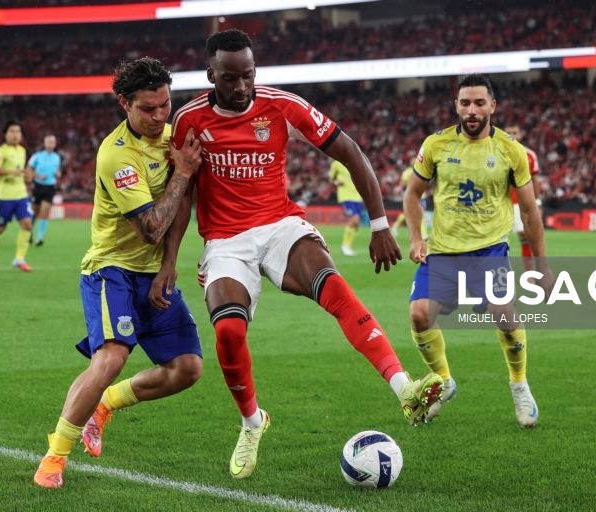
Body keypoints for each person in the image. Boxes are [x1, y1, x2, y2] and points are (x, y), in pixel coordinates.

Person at [171, 28, 443, 480]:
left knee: (334, 287)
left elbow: (350, 151)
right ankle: (252, 422)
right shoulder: (189, 120)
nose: (241, 87)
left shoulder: (282, 105)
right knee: (230, 334)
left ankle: (405, 388)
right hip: (225, 240)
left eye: (248, 76)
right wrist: (170, 264)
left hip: (280, 226)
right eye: (230, 78)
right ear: (210, 75)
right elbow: (182, 195)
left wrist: (379, 224)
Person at [33, 57, 203, 489]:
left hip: (153, 271)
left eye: (165, 104)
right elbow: (150, 229)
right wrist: (182, 171)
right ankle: (54, 456)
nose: (160, 115)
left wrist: (170, 265)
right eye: (149, 108)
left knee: (187, 369)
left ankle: (104, 407)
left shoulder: (173, 137)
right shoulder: (116, 155)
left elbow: (182, 206)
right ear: (124, 103)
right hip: (112, 269)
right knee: (111, 357)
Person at [403, 74, 554, 428]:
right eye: (465, 103)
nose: (472, 110)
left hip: (489, 250)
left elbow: (530, 211)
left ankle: (519, 385)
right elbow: (412, 194)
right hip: (442, 251)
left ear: (492, 106)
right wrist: (415, 238)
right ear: (456, 106)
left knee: (504, 312)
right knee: (419, 314)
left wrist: (543, 266)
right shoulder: (436, 145)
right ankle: (443, 380)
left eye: (479, 103)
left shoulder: (510, 150)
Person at [0, 120, 33, 272]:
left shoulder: (22, 151)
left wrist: (27, 176)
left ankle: (19, 259)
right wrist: (13, 172)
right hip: (5, 196)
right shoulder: (1, 151)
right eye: (12, 131)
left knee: (27, 225)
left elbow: (22, 171)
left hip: (21, 194)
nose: (15, 135)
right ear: (5, 134)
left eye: (17, 131)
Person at [504, 124, 542, 272]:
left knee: (525, 235)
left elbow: (534, 179)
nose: (512, 135)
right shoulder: (497, 152)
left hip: (520, 203)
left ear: (521, 135)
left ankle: (529, 272)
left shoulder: (529, 155)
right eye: (508, 132)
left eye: (515, 132)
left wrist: (537, 201)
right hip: (501, 202)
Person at [27, 133, 62, 247]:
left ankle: (40, 237)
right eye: (49, 141)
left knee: (44, 213)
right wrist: (37, 176)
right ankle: (29, 233)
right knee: (34, 212)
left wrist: (58, 174)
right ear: (44, 143)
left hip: (50, 187)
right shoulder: (37, 156)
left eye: (53, 142)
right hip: (38, 186)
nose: (51, 144)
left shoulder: (57, 157)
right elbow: (29, 169)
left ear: (55, 144)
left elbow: (57, 171)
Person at [330, 159, 366, 256]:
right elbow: (331, 179)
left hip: (357, 197)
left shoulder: (353, 162)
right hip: (345, 196)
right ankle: (345, 246)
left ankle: (348, 246)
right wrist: (337, 182)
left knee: (357, 223)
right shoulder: (336, 164)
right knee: (354, 219)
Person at [390, 159, 415, 237]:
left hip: (409, 193)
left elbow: (402, 183)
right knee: (409, 212)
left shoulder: (407, 171)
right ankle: (395, 226)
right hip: (411, 194)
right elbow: (403, 183)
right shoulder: (412, 172)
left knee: (410, 212)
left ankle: (396, 226)